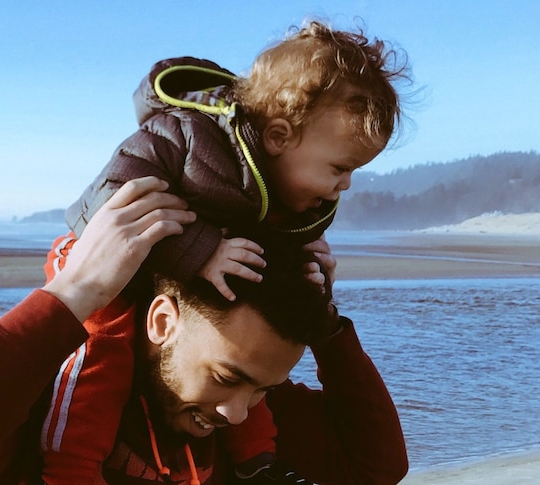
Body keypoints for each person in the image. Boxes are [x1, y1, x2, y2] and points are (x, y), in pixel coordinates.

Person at [42, 19, 411, 484]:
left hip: (189, 276)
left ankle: (258, 464)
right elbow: (111, 201)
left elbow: (378, 466)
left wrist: (320, 311)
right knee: (103, 351)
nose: (346, 184)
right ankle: (68, 468)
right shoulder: (189, 136)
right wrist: (200, 251)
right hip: (100, 266)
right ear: (279, 137)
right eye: (340, 167)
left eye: (259, 390)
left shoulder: (240, 355)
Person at [0, 177, 409, 484]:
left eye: (262, 389)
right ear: (162, 321)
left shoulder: (247, 406)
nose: (239, 411)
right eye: (226, 378)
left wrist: (328, 329)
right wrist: (70, 297)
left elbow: (376, 467)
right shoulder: (50, 402)